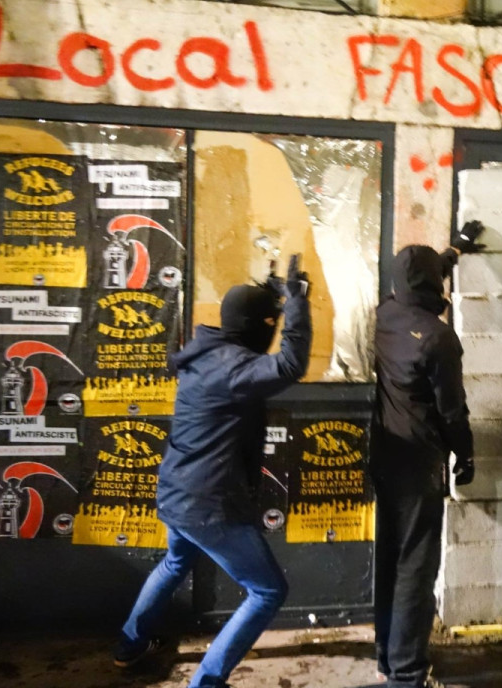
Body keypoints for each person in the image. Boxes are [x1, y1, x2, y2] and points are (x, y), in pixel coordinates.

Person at [112, 257, 312, 688]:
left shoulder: (208, 354)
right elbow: (290, 364)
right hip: (209, 502)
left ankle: (129, 645)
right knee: (268, 591)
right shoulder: (235, 368)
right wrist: (296, 300)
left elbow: (253, 327)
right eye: (269, 323)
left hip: (178, 492)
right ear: (254, 326)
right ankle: (206, 682)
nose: (272, 329)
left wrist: (275, 294)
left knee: (174, 561)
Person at [370, 221, 484, 688]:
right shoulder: (439, 338)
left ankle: (388, 657)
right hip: (420, 462)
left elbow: (421, 275)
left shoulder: (385, 315)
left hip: (385, 454)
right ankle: (408, 674)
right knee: (417, 567)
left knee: (391, 557)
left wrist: (453, 250)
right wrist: (467, 455)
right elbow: (452, 411)